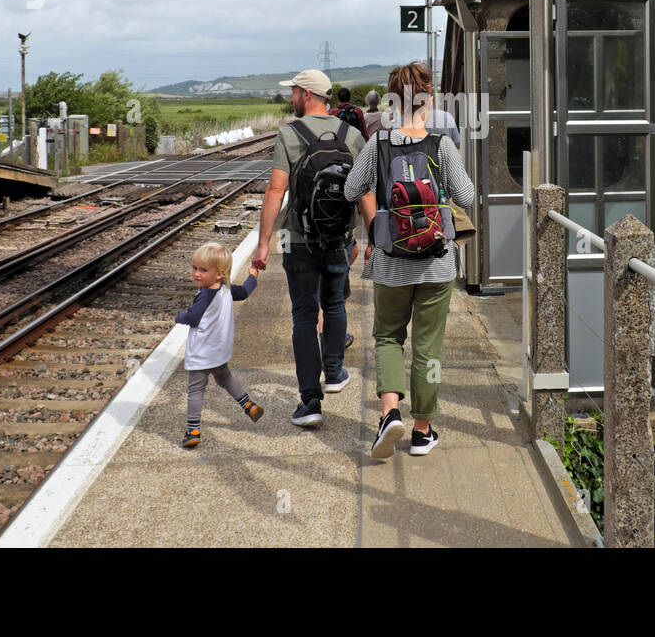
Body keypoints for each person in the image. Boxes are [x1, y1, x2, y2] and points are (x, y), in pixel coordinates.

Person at [345, 61, 474, 458]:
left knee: (387, 336)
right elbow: (467, 198)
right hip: (436, 263)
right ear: (428, 98)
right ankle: (422, 431)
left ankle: (389, 413)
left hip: (391, 263)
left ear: (392, 102)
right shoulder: (441, 145)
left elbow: (352, 190)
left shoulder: (377, 144)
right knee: (427, 346)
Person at [253, 69, 368, 428]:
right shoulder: (352, 135)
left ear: (306, 94)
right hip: (338, 239)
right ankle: (333, 373)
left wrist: (263, 242)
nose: (291, 98)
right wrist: (365, 239)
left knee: (304, 314)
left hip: (299, 239)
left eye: (294, 93)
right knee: (334, 304)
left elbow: (276, 191)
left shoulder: (289, 134)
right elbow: (363, 191)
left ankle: (310, 402)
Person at [174, 242, 262, 447]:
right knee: (225, 378)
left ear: (219, 273)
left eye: (203, 270)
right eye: (194, 268)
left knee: (196, 390)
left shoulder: (204, 295)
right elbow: (246, 291)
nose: (196, 274)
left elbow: (193, 318)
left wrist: (179, 317)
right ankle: (248, 404)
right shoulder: (227, 289)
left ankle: (193, 430)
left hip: (202, 353)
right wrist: (253, 275)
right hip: (219, 351)